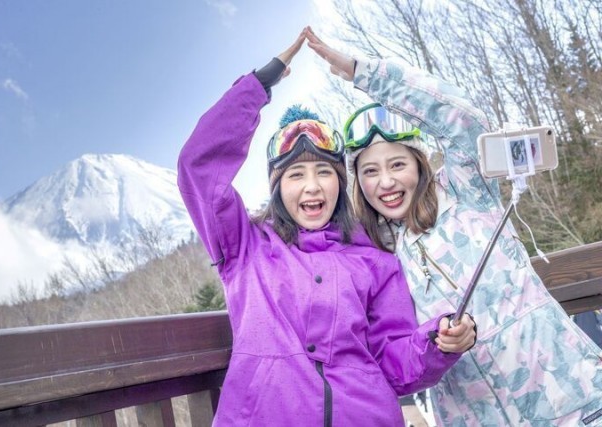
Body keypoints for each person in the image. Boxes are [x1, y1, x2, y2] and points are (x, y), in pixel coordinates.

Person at [177, 29, 476, 426]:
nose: (313, 186)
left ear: (340, 182)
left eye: (324, 171)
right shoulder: (244, 246)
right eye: (296, 175)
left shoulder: (375, 259)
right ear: (277, 188)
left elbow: (396, 365)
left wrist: (438, 343)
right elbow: (198, 166)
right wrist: (257, 87)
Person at [306, 27, 602, 426]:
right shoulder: (374, 255)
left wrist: (365, 73)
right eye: (370, 171)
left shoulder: (467, 192)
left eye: (397, 164)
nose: (386, 182)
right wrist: (438, 343)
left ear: (419, 165)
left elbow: (464, 120)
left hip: (571, 398)